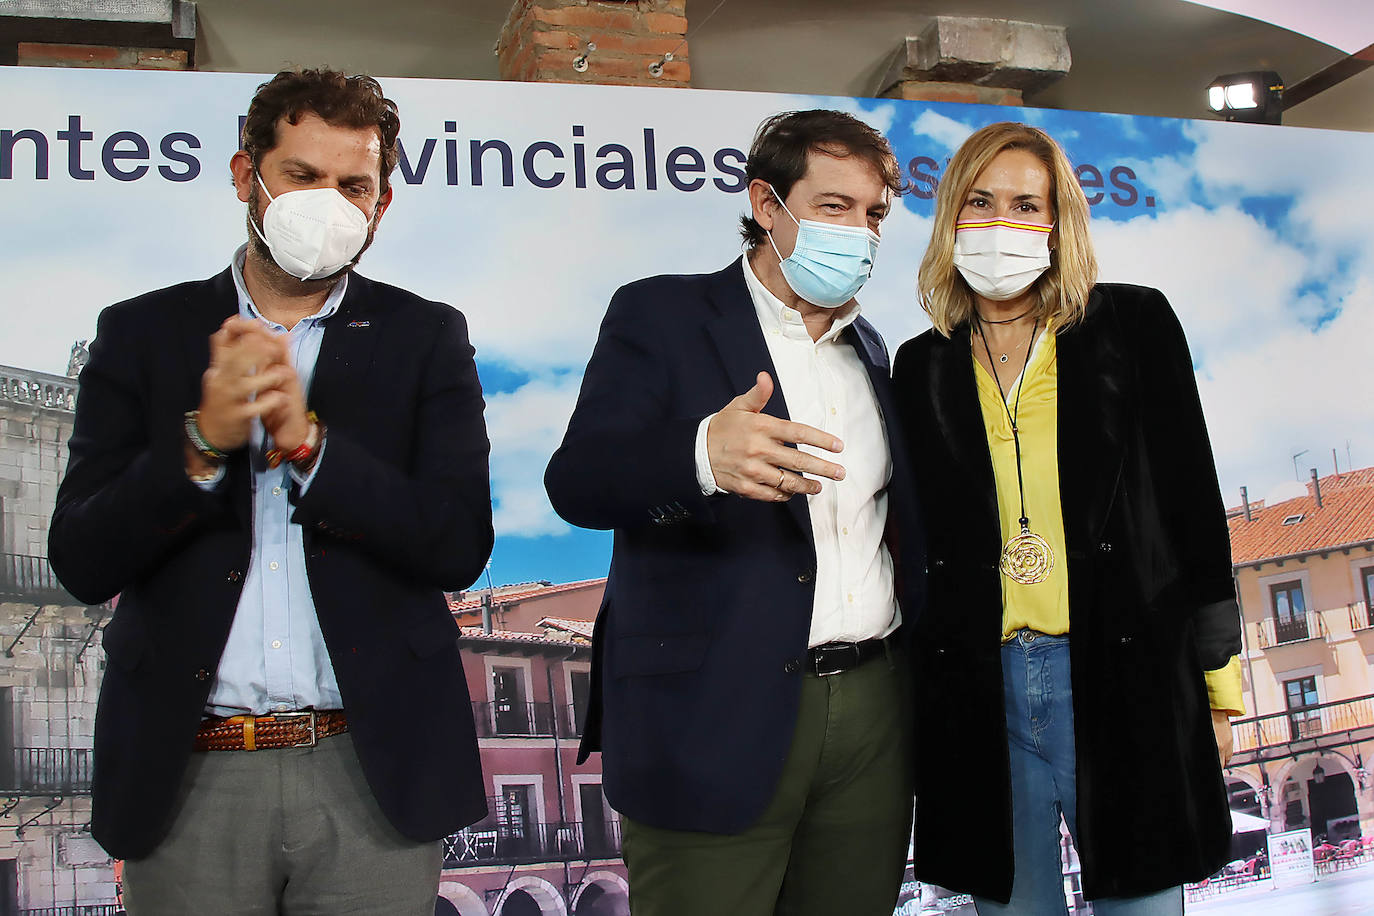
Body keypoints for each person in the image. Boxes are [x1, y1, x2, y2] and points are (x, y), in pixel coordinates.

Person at [48, 69, 493, 914]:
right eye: (302, 175)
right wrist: (200, 445)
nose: (328, 202)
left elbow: (457, 543)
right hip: (188, 773)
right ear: (245, 174)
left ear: (382, 204)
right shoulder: (141, 332)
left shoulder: (425, 335)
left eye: (353, 184)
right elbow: (79, 557)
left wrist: (311, 450)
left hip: (370, 769)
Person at [544, 109, 924, 916]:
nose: (858, 232)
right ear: (764, 202)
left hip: (873, 710)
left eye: (874, 214)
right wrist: (699, 457)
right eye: (832, 207)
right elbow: (576, 482)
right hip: (710, 717)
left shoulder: (875, 351)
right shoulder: (662, 315)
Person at [891, 122, 1244, 915]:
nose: (1000, 223)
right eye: (980, 202)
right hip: (982, 694)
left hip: (1127, 675)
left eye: (1026, 204)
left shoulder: (1135, 326)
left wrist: (1217, 688)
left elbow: (1193, 507)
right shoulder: (921, 365)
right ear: (951, 218)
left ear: (1058, 222)